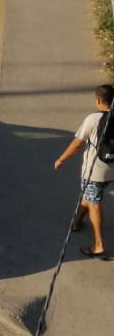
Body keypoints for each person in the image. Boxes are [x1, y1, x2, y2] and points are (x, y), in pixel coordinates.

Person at [53, 84, 113, 258]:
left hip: (95, 171)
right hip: (112, 171)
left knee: (93, 202)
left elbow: (77, 144)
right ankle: (77, 221)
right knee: (90, 195)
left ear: (99, 100)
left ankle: (99, 245)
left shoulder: (93, 119)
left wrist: (61, 159)